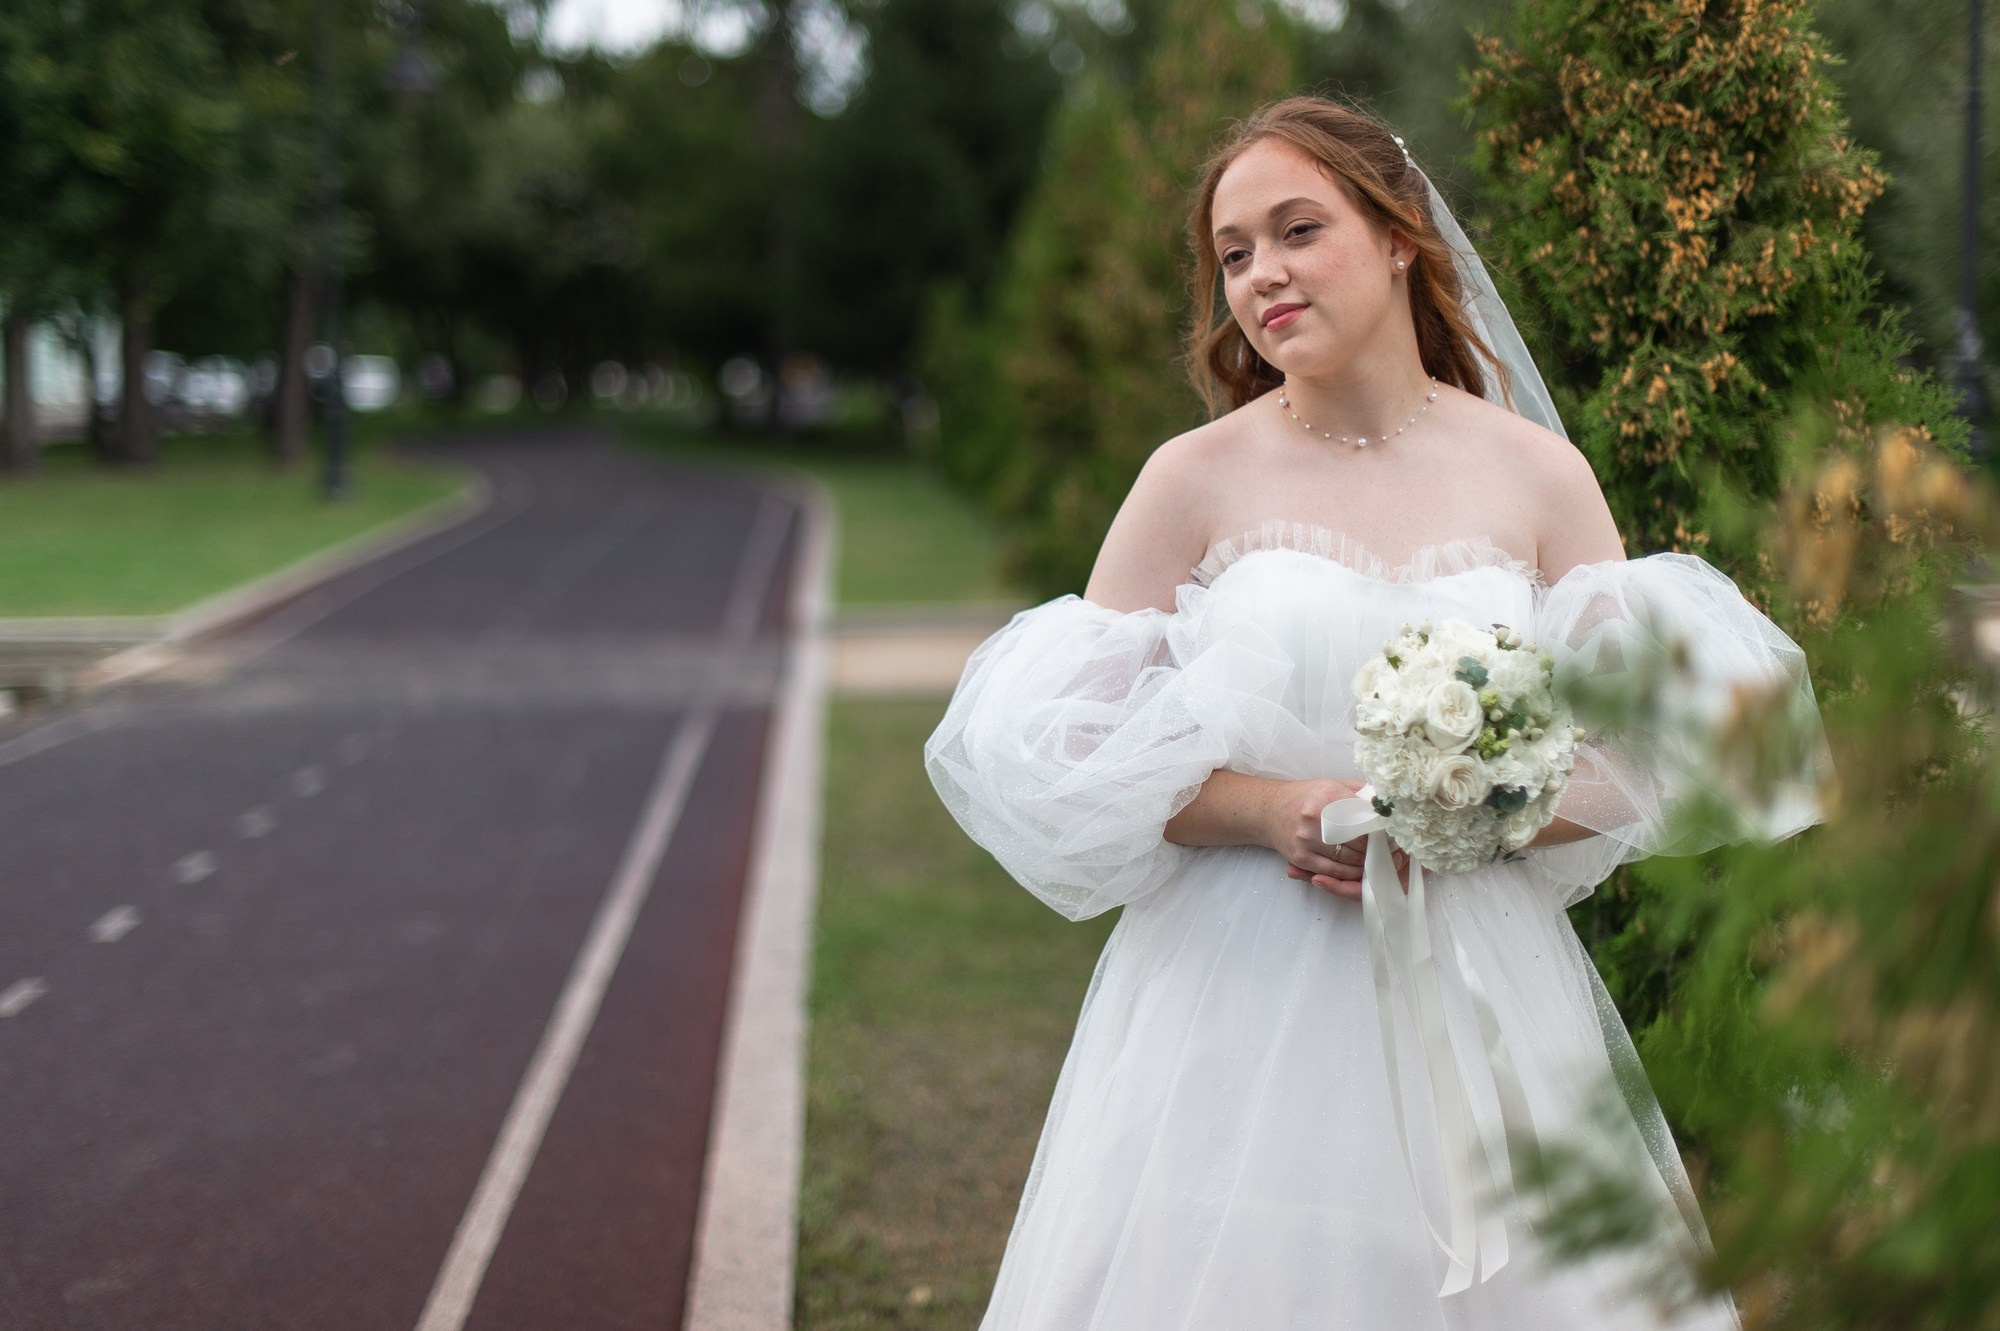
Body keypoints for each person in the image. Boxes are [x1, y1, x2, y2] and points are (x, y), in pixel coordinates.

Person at [925, 96, 1823, 1330]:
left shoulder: (1533, 473)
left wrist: (1490, 808)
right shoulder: (1189, 480)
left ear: (1398, 235)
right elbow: (1071, 751)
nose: (1262, 276)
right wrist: (1265, 810)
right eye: (1232, 254)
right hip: (1234, 978)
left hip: (1478, 972)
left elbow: (1650, 746)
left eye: (1297, 230)